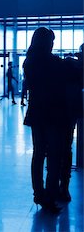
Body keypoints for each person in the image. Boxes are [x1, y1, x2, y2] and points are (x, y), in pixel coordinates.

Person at [23, 27, 67, 213]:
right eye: (52, 41)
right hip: (52, 114)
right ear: (47, 42)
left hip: (36, 113)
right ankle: (50, 194)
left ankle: (38, 193)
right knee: (54, 155)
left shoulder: (29, 61)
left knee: (38, 154)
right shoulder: (53, 62)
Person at [59, 43, 83, 202]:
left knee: (58, 149)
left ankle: (57, 186)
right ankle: (63, 187)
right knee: (66, 149)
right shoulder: (76, 68)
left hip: (60, 111)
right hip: (71, 111)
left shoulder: (67, 65)